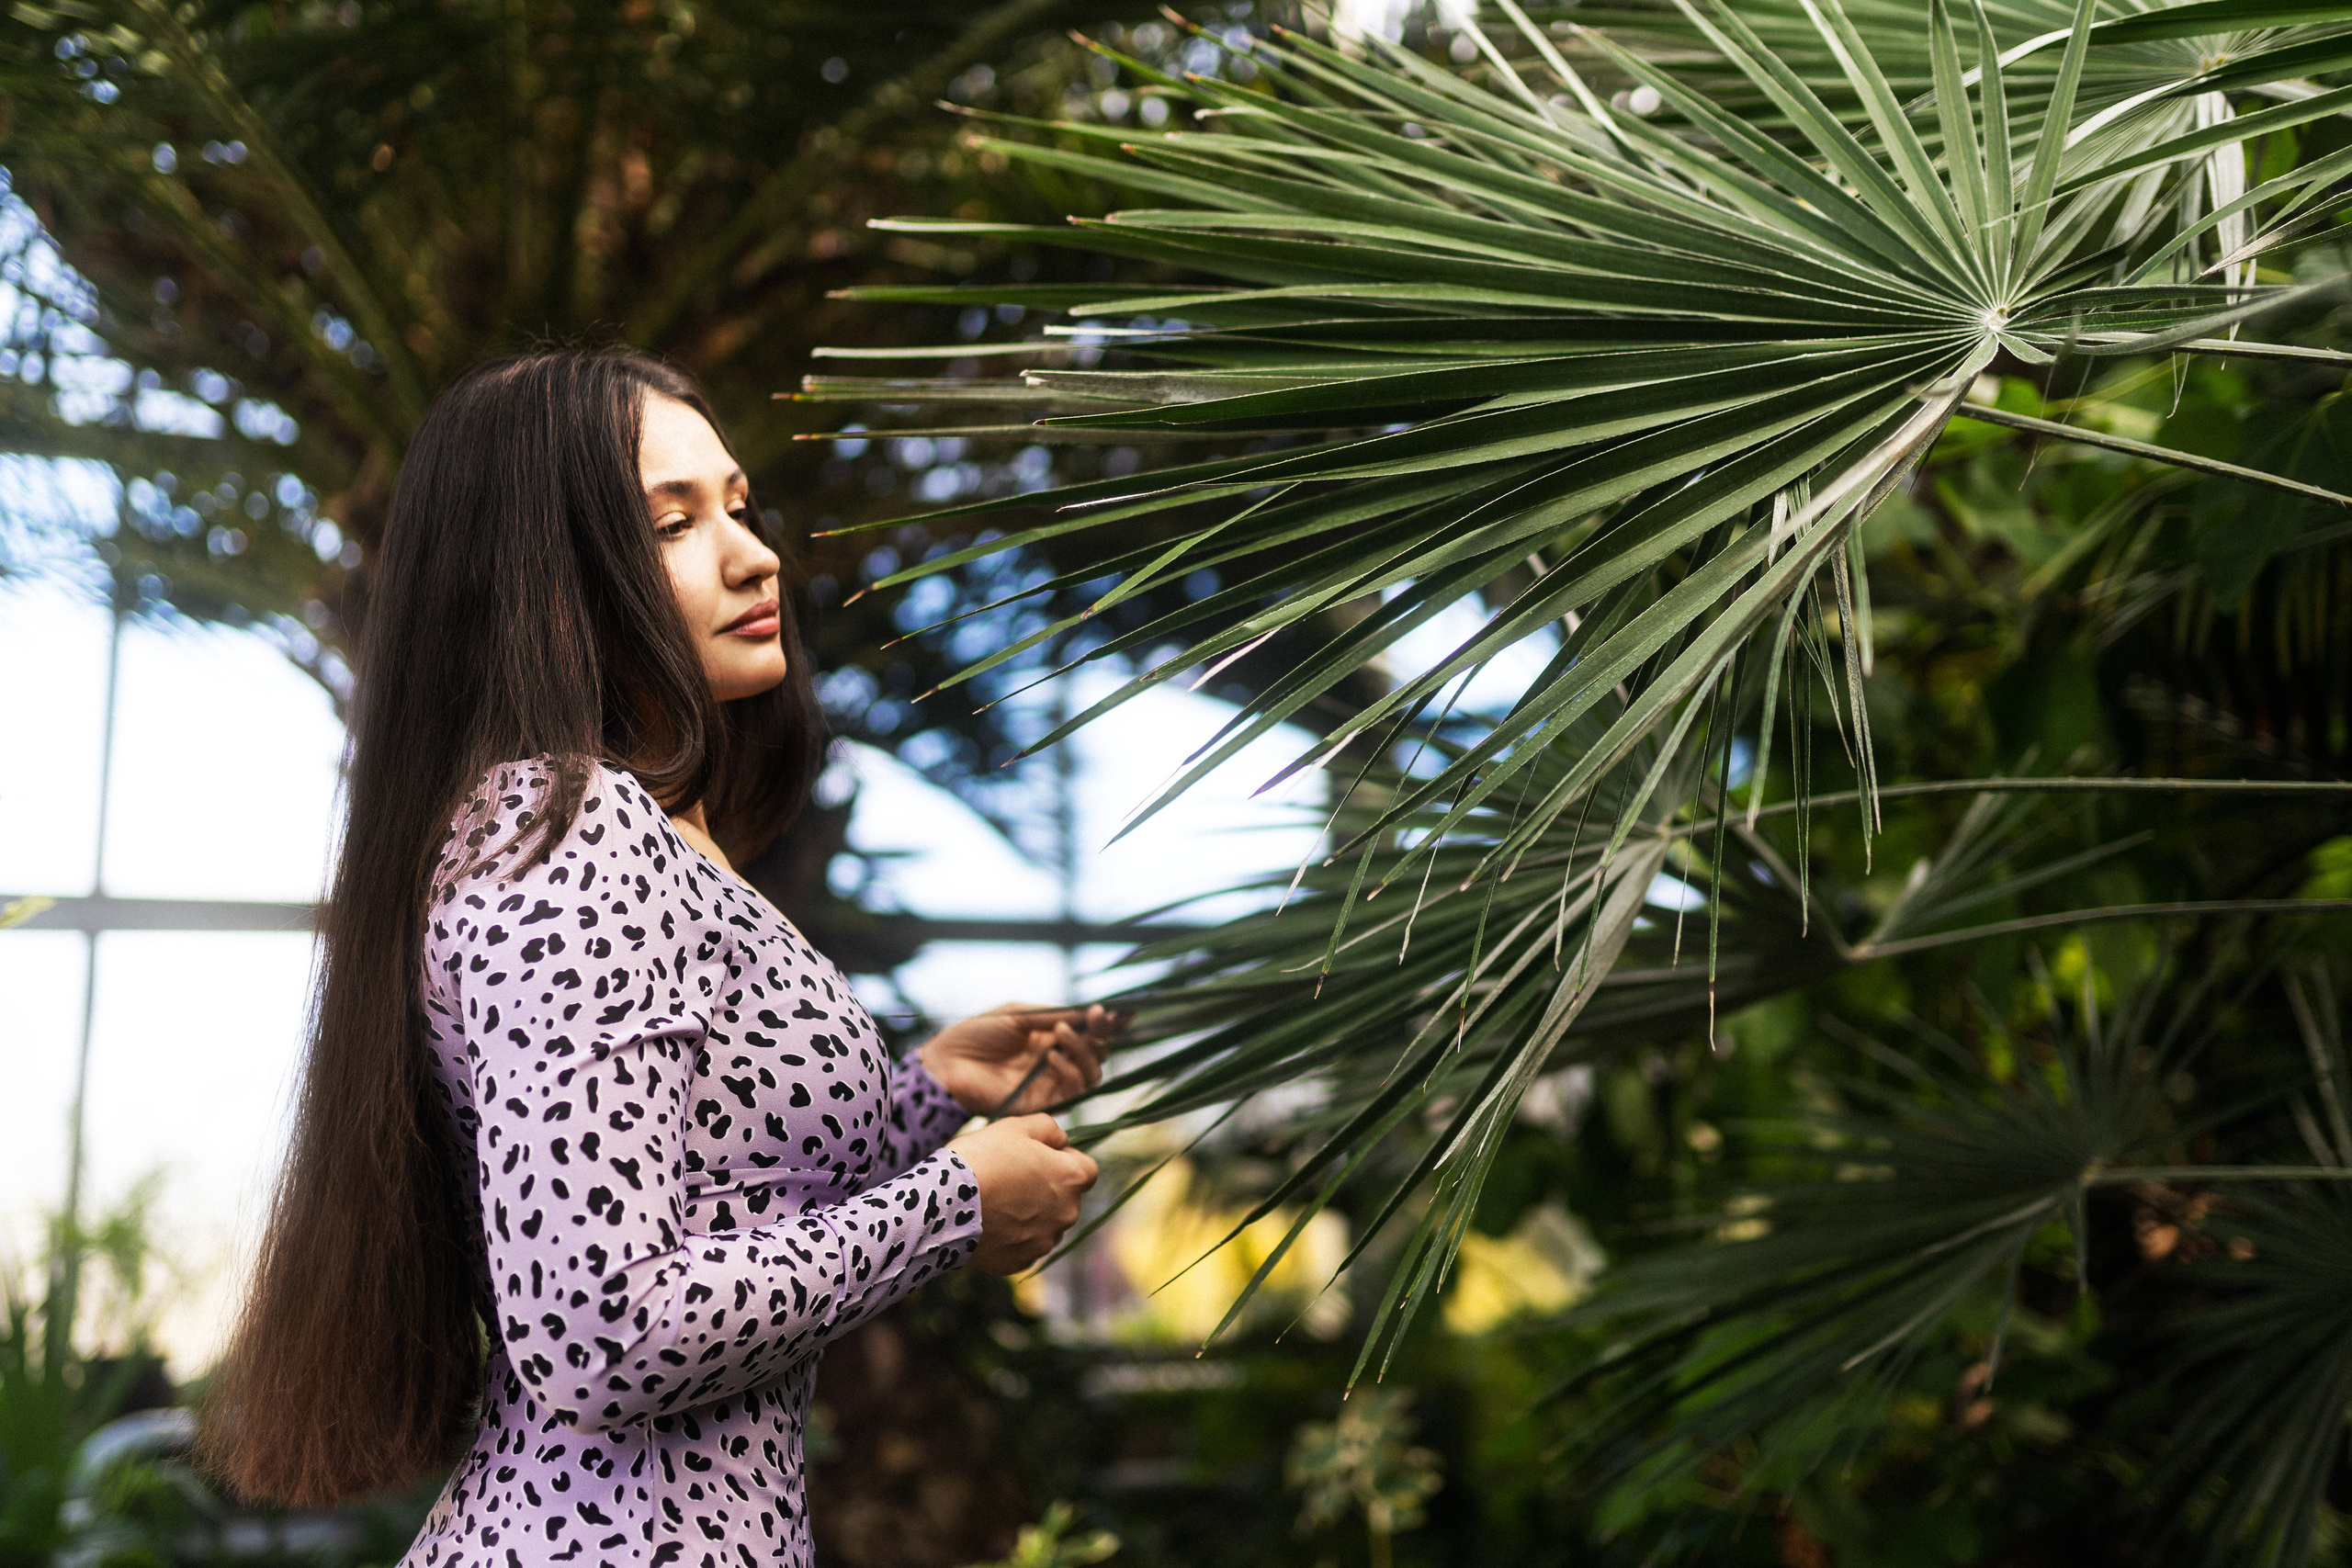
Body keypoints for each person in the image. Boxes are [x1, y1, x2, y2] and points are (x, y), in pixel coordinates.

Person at [199, 350, 1116, 1567]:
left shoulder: (641, 835)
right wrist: (953, 1207)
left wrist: (928, 1095)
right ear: (552, 578)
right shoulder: (569, 831)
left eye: (739, 506)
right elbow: (599, 1327)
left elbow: (721, 1198)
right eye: (674, 525)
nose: (755, 555)